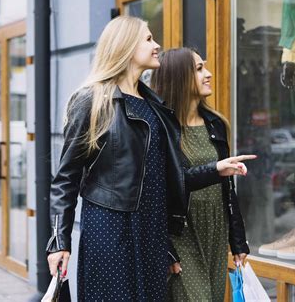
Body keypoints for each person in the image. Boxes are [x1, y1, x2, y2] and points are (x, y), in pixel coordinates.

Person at [46, 16, 255, 301]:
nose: (156, 45)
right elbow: (65, 180)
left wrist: (215, 170)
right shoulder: (92, 101)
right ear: (126, 46)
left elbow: (166, 178)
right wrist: (59, 243)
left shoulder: (155, 107)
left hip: (152, 235)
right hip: (111, 232)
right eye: (148, 39)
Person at [151, 48, 250, 301]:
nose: (208, 74)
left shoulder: (216, 124)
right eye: (198, 69)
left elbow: (229, 191)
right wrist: (165, 249)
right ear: (178, 77)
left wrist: (238, 242)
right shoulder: (160, 129)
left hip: (216, 229)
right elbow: (161, 189)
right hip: (182, 232)